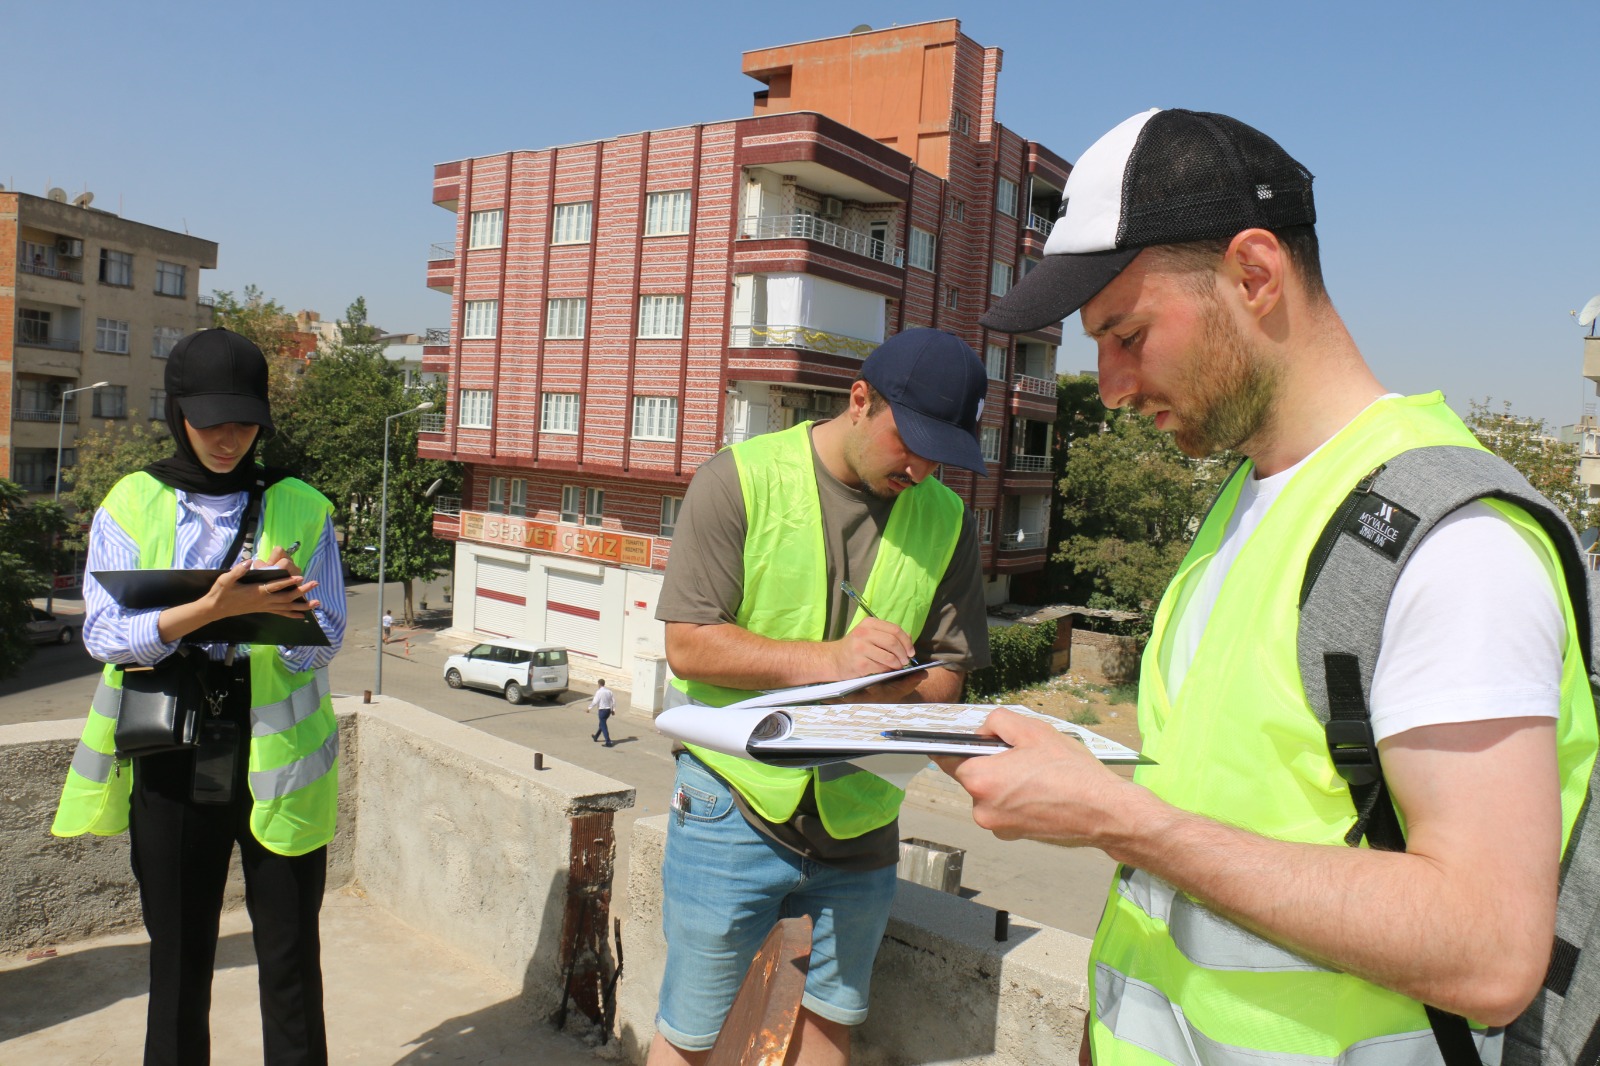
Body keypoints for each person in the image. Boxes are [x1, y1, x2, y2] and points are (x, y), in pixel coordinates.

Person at [954, 107, 1599, 1064]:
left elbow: (1490, 947)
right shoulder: (1242, 503)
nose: (1113, 384)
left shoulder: (1455, 546)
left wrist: (1118, 819)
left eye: (1126, 333)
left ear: (1254, 276)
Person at [647, 327, 993, 1066]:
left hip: (861, 822)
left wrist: (897, 688)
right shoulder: (739, 479)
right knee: (694, 1037)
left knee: (828, 1024)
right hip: (732, 804)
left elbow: (948, 678)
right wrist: (831, 663)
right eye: (912, 441)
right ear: (859, 400)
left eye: (943, 452)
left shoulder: (949, 520)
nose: (924, 467)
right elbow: (690, 644)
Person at [52, 327, 347, 1066]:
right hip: (172, 753)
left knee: (288, 957)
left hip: (277, 764)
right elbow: (106, 636)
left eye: (245, 422)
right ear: (177, 410)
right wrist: (205, 612)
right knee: (178, 958)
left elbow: (327, 639)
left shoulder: (303, 507)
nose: (228, 438)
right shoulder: (130, 502)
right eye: (211, 420)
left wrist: (285, 615)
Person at [590, 679, 615, 746]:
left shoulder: (598, 692)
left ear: (599, 684)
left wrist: (589, 708)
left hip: (602, 711)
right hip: (608, 711)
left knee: (603, 726)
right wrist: (613, 710)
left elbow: (595, 701)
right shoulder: (609, 691)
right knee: (602, 724)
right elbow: (613, 701)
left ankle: (608, 741)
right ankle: (596, 737)